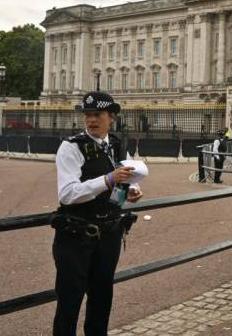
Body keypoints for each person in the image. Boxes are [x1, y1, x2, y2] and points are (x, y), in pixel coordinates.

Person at [51, 91, 144, 336]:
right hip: (76, 235)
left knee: (102, 299)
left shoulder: (116, 144)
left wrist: (132, 189)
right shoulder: (71, 147)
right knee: (69, 302)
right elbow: (67, 194)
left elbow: (126, 177)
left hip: (109, 234)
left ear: (111, 117)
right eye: (88, 115)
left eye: (98, 115)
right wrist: (107, 180)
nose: (92, 120)